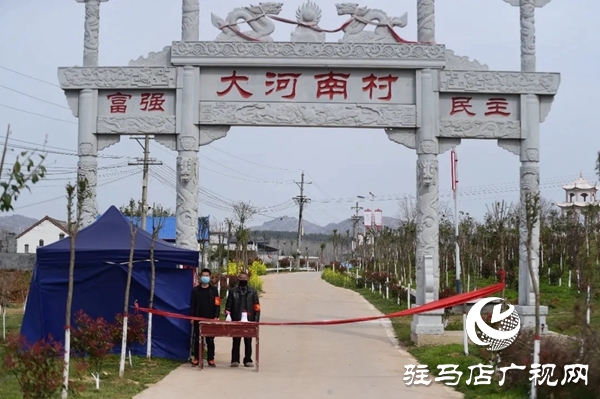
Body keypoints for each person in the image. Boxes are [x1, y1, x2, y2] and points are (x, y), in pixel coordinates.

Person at [225, 271, 261, 367]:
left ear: (248, 279)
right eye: (241, 279)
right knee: (236, 340)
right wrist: (228, 317)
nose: (243, 280)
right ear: (238, 279)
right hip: (236, 319)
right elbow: (228, 307)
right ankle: (235, 360)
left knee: (248, 340)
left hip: (249, 320)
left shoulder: (253, 292)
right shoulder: (233, 292)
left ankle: (248, 359)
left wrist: (256, 321)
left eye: (245, 279)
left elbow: (257, 307)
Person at [189, 268, 221, 367]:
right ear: (200, 277)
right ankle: (197, 358)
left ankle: (211, 359)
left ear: (210, 277)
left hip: (210, 318)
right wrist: (192, 317)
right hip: (198, 318)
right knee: (197, 339)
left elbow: (217, 303)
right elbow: (192, 305)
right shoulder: (195, 290)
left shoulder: (214, 290)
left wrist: (216, 316)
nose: (205, 277)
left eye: (207, 275)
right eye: (203, 275)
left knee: (210, 340)